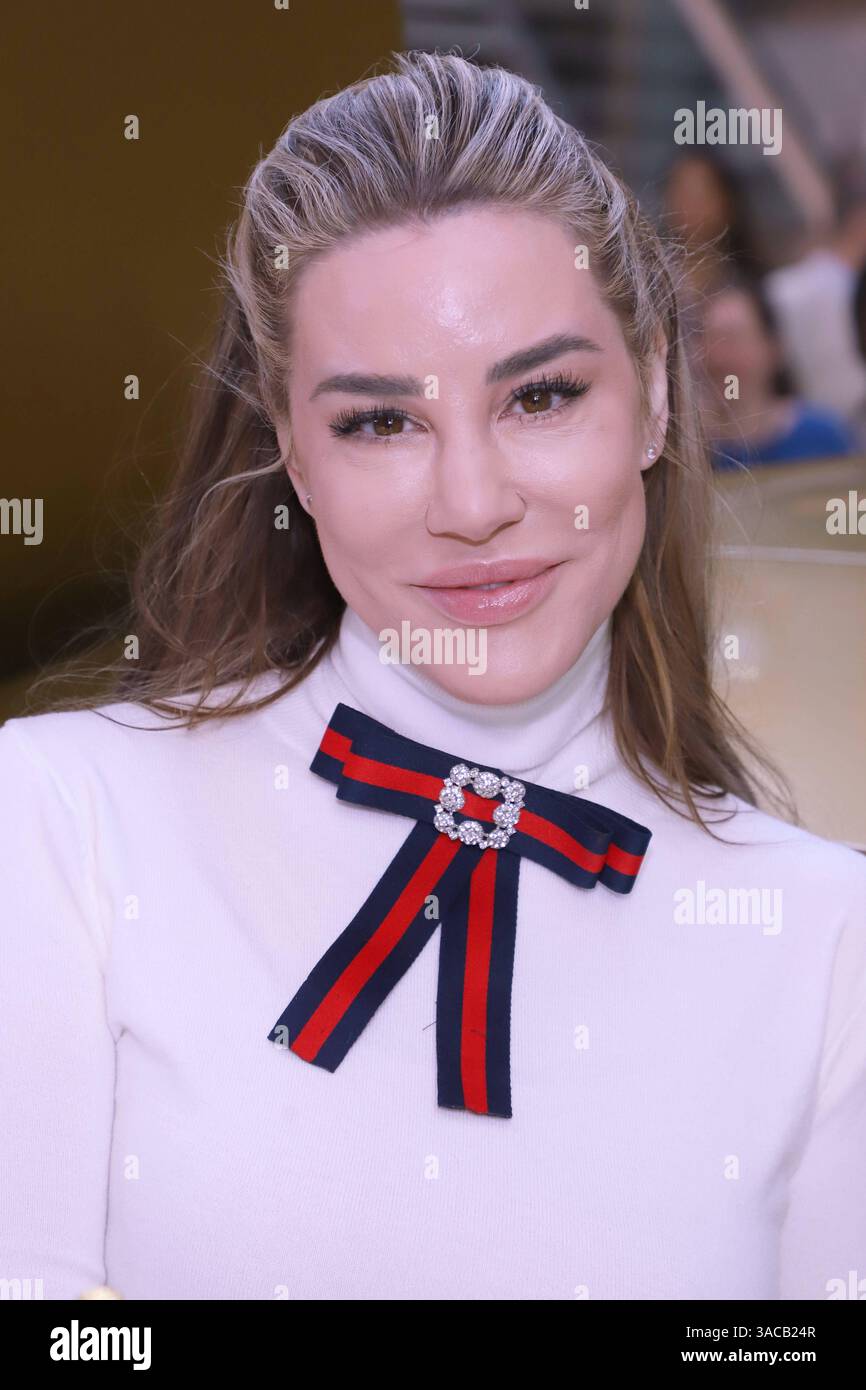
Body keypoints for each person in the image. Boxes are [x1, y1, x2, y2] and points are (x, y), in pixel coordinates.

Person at [2, 50, 865, 1302]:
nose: (470, 502)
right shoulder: (63, 824)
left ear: (654, 399)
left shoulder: (828, 939)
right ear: (293, 454)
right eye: (378, 422)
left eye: (541, 396)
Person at [698, 277, 859, 470]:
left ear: (772, 348)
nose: (718, 357)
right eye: (707, 339)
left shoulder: (821, 436)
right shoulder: (690, 446)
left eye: (732, 340)